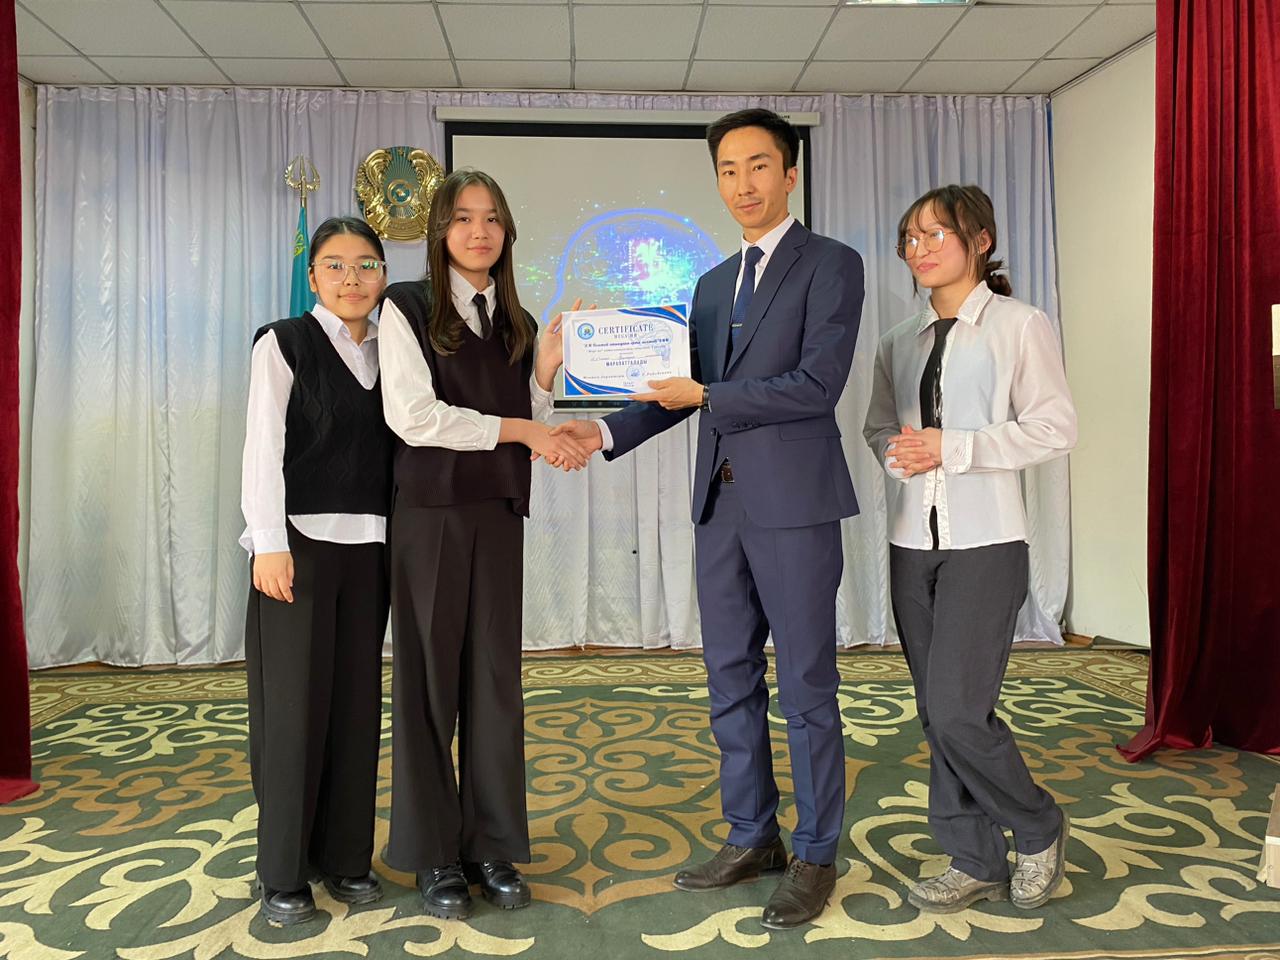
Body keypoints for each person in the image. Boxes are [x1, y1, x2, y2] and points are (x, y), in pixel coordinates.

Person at [553, 109, 864, 929]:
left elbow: (817, 385)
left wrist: (709, 394)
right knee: (729, 679)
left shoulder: (831, 264)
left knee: (807, 688)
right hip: (719, 507)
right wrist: (603, 432)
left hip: (795, 508)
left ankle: (817, 853)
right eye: (728, 170)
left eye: (758, 166)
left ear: (789, 173)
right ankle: (751, 834)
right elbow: (677, 391)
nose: (743, 184)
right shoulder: (713, 283)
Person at [377, 168, 590, 920]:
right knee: (431, 683)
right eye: (464, 217)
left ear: (507, 232)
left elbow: (521, 415)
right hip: (430, 517)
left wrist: (545, 375)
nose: (479, 231)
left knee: (495, 683)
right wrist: (526, 428)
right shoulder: (405, 307)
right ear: (441, 230)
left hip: (497, 513)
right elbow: (414, 417)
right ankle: (435, 853)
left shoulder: (517, 320)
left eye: (492, 218)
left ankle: (491, 845)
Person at [863, 184, 1077, 913]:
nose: (919, 249)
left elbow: (1054, 428)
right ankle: (973, 856)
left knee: (959, 710)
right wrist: (899, 455)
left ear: (980, 240)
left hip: (986, 543)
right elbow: (878, 428)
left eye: (935, 235)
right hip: (909, 544)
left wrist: (953, 448)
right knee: (936, 713)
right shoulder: (898, 339)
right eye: (910, 238)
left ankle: (1037, 824)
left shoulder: (1019, 325)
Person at [240, 216, 392, 926]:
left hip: (373, 547)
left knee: (356, 709)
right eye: (335, 265)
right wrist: (268, 541)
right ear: (312, 276)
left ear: (384, 275)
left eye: (366, 265)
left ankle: (347, 858)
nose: (351, 279)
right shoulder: (284, 342)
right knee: (294, 712)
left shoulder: (395, 347)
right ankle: (282, 872)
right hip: (296, 548)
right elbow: (262, 445)